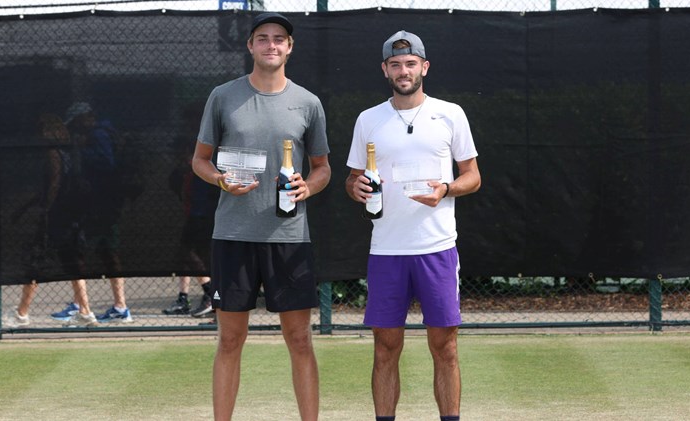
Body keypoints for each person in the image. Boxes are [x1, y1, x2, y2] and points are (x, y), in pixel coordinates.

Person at [191, 12, 330, 421]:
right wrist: (220, 179)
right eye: (263, 38)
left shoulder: (308, 103)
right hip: (233, 235)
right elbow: (199, 161)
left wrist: (310, 186)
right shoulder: (222, 96)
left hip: (289, 236)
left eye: (279, 39)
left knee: (300, 339)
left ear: (290, 47)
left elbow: (322, 167)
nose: (272, 45)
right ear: (250, 46)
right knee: (230, 340)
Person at [345, 30, 481, 421]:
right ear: (385, 70)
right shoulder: (368, 119)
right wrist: (357, 188)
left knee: (446, 346)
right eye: (395, 65)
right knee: (385, 348)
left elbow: (472, 176)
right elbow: (352, 180)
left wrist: (447, 189)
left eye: (410, 64)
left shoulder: (450, 113)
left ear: (424, 66)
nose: (403, 71)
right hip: (386, 251)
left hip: (437, 248)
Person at [6, 113, 95, 327]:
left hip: (56, 218)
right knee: (72, 262)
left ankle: (21, 314)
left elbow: (55, 183)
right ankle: (86, 311)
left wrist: (46, 210)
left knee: (37, 263)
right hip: (67, 217)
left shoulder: (53, 154)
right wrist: (24, 208)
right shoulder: (67, 154)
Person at [55, 102, 134, 325]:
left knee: (84, 249)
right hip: (101, 203)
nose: (74, 129)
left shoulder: (98, 135)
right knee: (101, 250)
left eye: (76, 123)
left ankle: (95, 306)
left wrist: (82, 149)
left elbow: (106, 163)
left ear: (85, 118)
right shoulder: (104, 132)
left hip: (103, 204)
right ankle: (88, 303)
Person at [163, 134, 217, 320]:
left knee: (186, 254)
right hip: (194, 217)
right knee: (184, 257)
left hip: (202, 218)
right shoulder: (183, 174)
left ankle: (211, 293)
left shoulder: (200, 171)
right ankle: (183, 298)